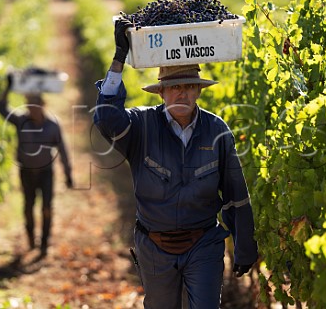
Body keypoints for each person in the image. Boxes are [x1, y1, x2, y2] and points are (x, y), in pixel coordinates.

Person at [93, 19, 258, 308]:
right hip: (154, 246)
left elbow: (236, 196)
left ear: (199, 91)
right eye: (173, 87)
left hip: (203, 244)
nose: (181, 93)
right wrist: (120, 57)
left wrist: (245, 248)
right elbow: (106, 119)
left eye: (188, 86)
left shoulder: (217, 131)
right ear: (160, 92)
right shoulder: (141, 126)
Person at [0, 67, 73, 257]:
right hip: (26, 171)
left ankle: (45, 243)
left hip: (46, 172)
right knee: (28, 206)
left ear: (42, 104)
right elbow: (1, 108)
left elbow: (63, 150)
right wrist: (8, 87)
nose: (30, 108)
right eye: (28, 104)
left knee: (46, 207)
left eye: (34, 104)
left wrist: (68, 175)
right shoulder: (21, 120)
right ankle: (31, 239)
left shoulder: (52, 126)